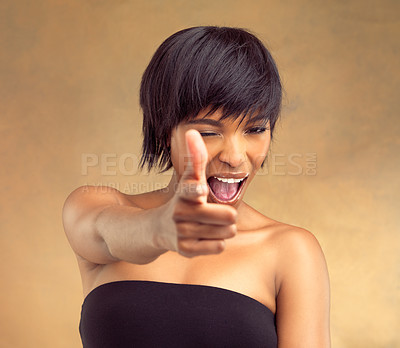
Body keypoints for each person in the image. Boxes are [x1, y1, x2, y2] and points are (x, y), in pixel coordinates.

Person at [63, 26, 330, 347]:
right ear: (165, 131)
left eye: (256, 129)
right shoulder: (97, 205)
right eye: (208, 132)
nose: (235, 156)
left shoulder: (291, 250)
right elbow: (105, 234)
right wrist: (160, 228)